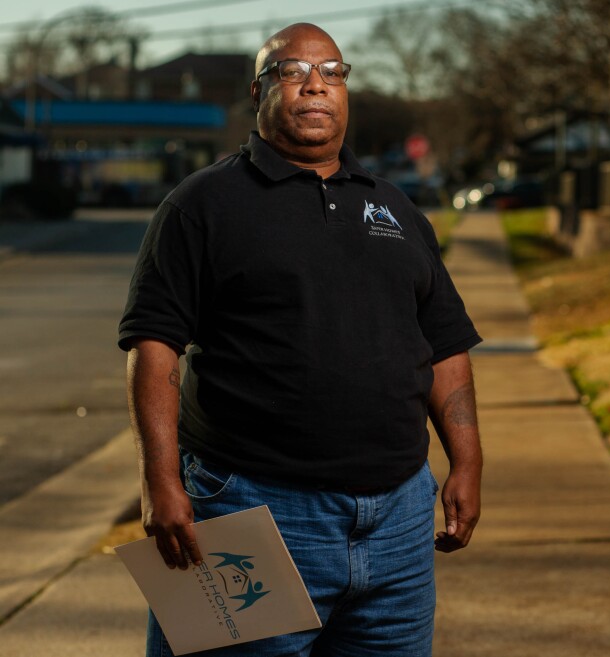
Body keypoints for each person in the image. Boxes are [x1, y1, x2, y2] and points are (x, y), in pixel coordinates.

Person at [118, 22, 482, 657]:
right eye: (293, 71)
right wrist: (160, 477)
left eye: (333, 72)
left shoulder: (395, 207)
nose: (317, 84)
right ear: (260, 91)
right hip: (251, 513)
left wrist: (468, 460)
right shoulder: (201, 205)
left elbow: (444, 346)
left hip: (398, 522)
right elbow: (154, 349)